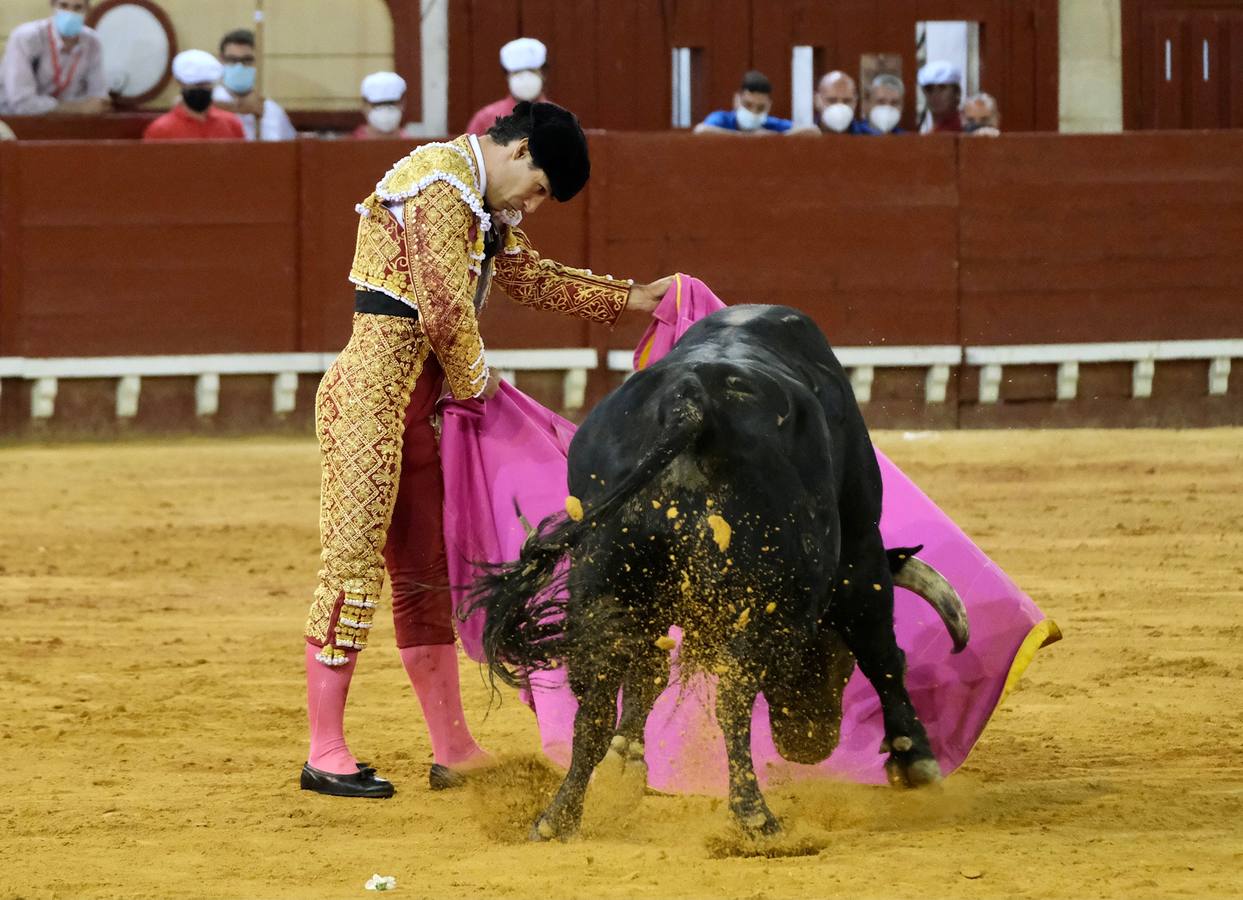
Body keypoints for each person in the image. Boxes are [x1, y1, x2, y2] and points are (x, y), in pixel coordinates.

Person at [300, 100, 674, 798]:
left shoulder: (473, 199)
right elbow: (443, 309)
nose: (529, 207)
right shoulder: (440, 182)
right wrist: (481, 390)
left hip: (425, 408)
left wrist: (633, 298)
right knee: (352, 571)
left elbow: (529, 278)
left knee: (425, 577)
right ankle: (325, 749)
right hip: (371, 406)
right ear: (520, 149)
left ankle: (453, 747)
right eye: (536, 189)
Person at [0, 0, 109, 116]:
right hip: (16, 121)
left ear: (87, 10)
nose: (70, 13)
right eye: (64, 5)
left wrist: (92, 105)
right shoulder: (26, 38)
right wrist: (77, 108)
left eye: (78, 8)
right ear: (52, 5)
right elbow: (21, 103)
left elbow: (98, 98)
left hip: (69, 123)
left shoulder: (92, 42)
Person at [211, 28, 295, 142]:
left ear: (257, 62)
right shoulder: (207, 103)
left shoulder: (272, 111)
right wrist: (238, 107)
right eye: (232, 60)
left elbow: (288, 150)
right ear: (221, 60)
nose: (239, 66)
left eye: (247, 60)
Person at [143, 50, 244, 141]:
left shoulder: (231, 124)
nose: (201, 89)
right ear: (179, 83)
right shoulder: (160, 130)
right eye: (196, 85)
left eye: (206, 84)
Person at [466, 37, 549, 136]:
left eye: (531, 71)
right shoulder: (485, 119)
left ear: (543, 73)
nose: (525, 78)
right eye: (517, 72)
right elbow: (468, 150)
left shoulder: (560, 118)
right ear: (507, 76)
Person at [694, 70, 792, 135]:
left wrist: (776, 136)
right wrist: (745, 136)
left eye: (760, 108)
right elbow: (701, 130)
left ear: (769, 106)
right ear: (737, 100)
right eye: (748, 105)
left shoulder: (771, 124)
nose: (753, 112)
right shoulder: (722, 119)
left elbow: (805, 131)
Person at [351, 71, 417, 140]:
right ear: (364, 105)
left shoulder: (415, 148)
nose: (385, 110)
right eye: (377, 104)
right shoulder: (348, 146)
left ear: (403, 103)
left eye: (391, 103)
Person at [810, 70, 876, 135]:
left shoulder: (873, 139)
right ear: (817, 100)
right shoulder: (804, 137)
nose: (840, 106)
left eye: (846, 101)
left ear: (855, 102)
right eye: (832, 101)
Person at [917, 60, 962, 133]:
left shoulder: (965, 128)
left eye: (942, 88)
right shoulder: (931, 132)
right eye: (929, 89)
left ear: (957, 92)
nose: (935, 95)